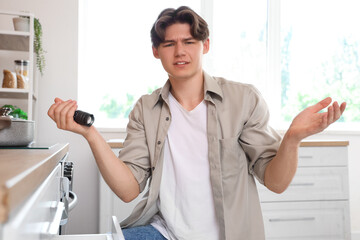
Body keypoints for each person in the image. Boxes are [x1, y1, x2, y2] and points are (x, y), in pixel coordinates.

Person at [48, 6, 346, 240]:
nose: (180, 51)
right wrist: (90, 134)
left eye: (189, 42)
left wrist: (292, 138)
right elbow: (128, 190)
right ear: (156, 50)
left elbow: (276, 182)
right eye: (169, 44)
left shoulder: (243, 99)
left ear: (205, 45)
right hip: (164, 232)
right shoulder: (145, 109)